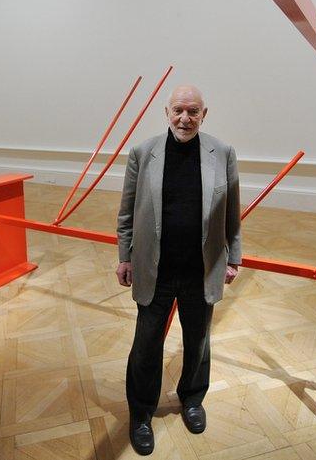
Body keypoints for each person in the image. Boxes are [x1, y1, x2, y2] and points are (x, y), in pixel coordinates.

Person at [115, 84, 241, 455]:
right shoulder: (142, 152)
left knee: (198, 342)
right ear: (166, 112)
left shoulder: (223, 153)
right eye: (178, 111)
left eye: (193, 111)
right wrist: (124, 256)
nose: (185, 118)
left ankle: (192, 399)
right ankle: (140, 414)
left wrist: (233, 258)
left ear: (205, 114)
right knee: (146, 345)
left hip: (201, 269)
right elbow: (126, 212)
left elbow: (232, 211)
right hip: (154, 269)